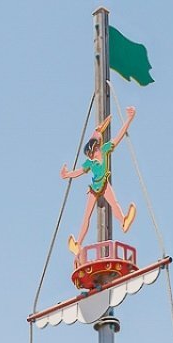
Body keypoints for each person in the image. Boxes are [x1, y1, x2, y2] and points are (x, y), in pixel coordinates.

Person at [61, 105, 138, 254]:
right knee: (86, 216)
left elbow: (117, 136)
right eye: (94, 149)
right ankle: (78, 244)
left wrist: (128, 119)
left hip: (103, 184)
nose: (96, 149)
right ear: (91, 153)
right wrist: (67, 174)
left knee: (114, 204)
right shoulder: (90, 162)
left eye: (96, 146)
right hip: (94, 188)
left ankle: (123, 222)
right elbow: (79, 172)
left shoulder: (105, 150)